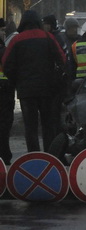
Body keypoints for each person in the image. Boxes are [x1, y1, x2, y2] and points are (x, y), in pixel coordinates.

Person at [1, 10, 66, 153]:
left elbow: (6, 64)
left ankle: (34, 157)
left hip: (26, 90)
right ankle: (50, 155)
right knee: (47, 125)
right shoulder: (48, 37)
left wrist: (16, 80)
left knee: (30, 127)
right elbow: (62, 60)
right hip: (47, 89)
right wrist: (55, 79)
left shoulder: (17, 40)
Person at [0, 19, 13, 165]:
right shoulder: (4, 51)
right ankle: (4, 155)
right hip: (4, 92)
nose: (4, 33)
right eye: (2, 30)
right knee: (4, 125)